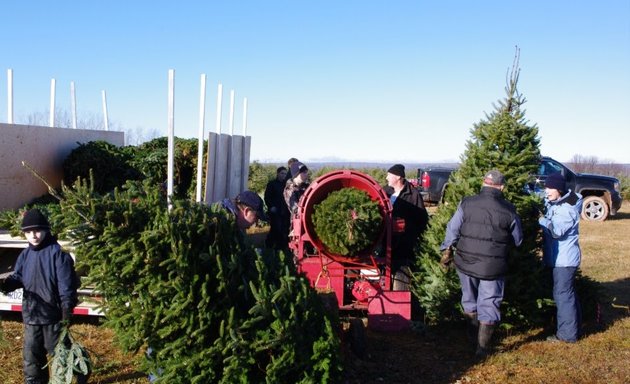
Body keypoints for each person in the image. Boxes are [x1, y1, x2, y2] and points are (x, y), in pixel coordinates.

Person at [440, 170, 523, 357]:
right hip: (492, 267)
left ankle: (471, 339)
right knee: (490, 302)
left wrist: (446, 249)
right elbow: (518, 239)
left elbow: (452, 228)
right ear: (501, 187)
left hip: (465, 263)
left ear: (483, 184)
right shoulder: (509, 209)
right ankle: (482, 348)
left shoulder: (467, 203)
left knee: (469, 300)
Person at [0, 209, 80, 384]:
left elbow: (66, 285)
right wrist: (5, 284)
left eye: (37, 230)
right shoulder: (26, 255)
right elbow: (19, 276)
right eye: (28, 232)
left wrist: (67, 310)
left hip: (53, 316)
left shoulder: (58, 254)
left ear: (46, 230)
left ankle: (78, 372)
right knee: (31, 356)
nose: (33, 235)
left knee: (59, 353)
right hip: (31, 315)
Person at [538, 172, 583, 343]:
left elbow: (556, 231)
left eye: (550, 188)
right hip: (559, 258)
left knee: (563, 295)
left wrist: (541, 220)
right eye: (546, 187)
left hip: (564, 261)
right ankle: (575, 328)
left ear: (559, 189)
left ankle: (567, 335)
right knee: (568, 294)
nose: (546, 191)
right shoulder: (557, 202)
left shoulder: (567, 209)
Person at [384, 164, 429, 288]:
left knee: (401, 282)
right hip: (384, 245)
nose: (386, 178)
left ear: (398, 177)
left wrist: (407, 231)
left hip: (403, 248)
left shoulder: (413, 195)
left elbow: (422, 220)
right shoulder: (385, 192)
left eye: (389, 175)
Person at [264, 166, 290, 250]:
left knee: (284, 229)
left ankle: (282, 248)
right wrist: (271, 207)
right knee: (276, 229)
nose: (283, 175)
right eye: (282, 173)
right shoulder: (272, 184)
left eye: (285, 174)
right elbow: (267, 197)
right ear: (278, 173)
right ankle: (269, 246)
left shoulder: (286, 185)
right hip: (275, 211)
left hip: (284, 211)